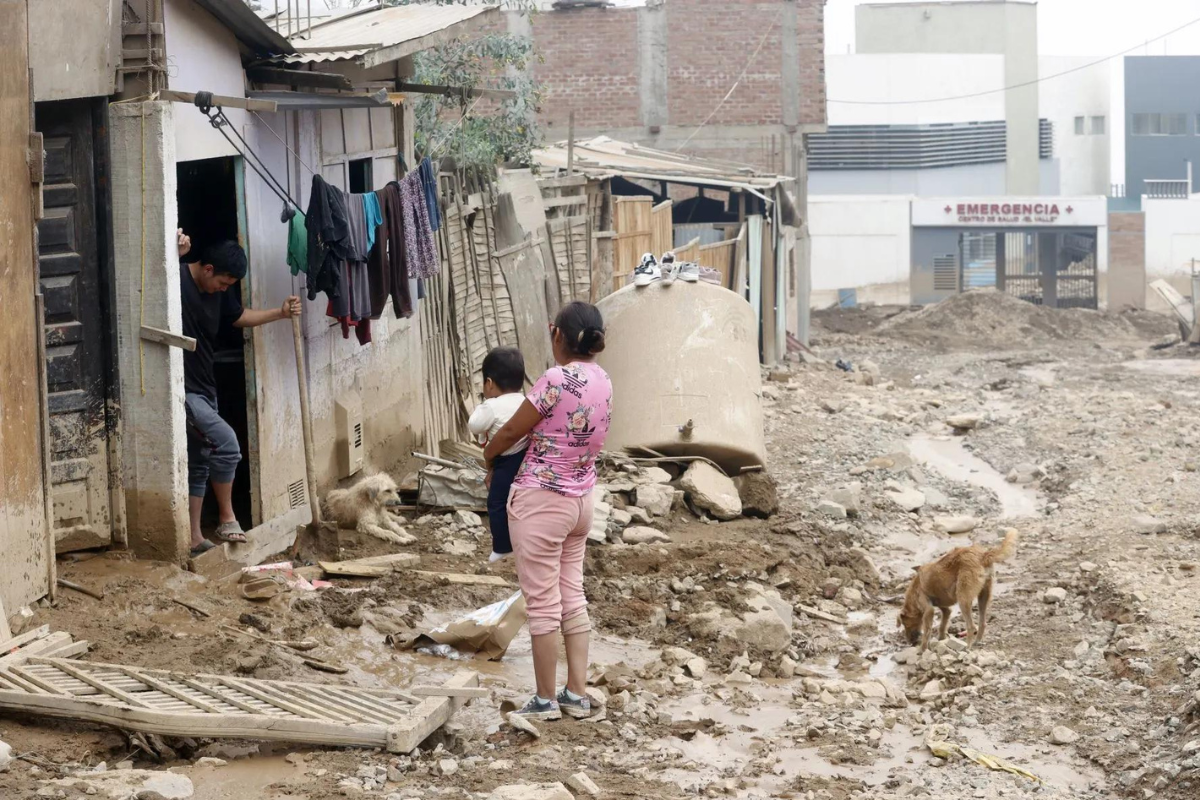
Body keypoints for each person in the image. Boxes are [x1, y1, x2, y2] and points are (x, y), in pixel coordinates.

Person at [483, 302, 612, 721]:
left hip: (541, 502)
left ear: (558, 335)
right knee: (571, 595)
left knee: (541, 603)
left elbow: (510, 430)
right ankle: (575, 692)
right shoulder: (603, 378)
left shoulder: (554, 380)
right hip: (581, 502)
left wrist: (489, 455)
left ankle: (544, 701)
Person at [178, 230, 301, 556]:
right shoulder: (176, 278)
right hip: (184, 391)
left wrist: (279, 313)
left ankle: (193, 538)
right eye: (223, 282)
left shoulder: (218, 294)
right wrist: (173, 251)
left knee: (201, 463)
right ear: (207, 269)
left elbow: (238, 316)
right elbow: (148, 283)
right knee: (228, 446)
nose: (224, 289)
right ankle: (227, 518)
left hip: (206, 386)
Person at [468, 347, 529, 564]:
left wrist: (482, 407)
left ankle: (502, 547)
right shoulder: (526, 401)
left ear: (490, 383)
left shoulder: (492, 406)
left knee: (496, 502)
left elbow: (474, 425)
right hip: (528, 459)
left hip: (506, 462)